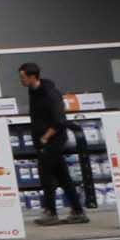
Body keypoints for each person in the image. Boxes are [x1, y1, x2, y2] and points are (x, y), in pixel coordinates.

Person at [18, 61, 93, 224]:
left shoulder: (50, 94)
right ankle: (78, 210)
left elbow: (59, 120)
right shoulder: (33, 91)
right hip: (42, 139)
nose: (21, 80)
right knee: (63, 176)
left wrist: (45, 137)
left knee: (46, 176)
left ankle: (50, 212)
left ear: (32, 77)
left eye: (23, 77)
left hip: (53, 140)